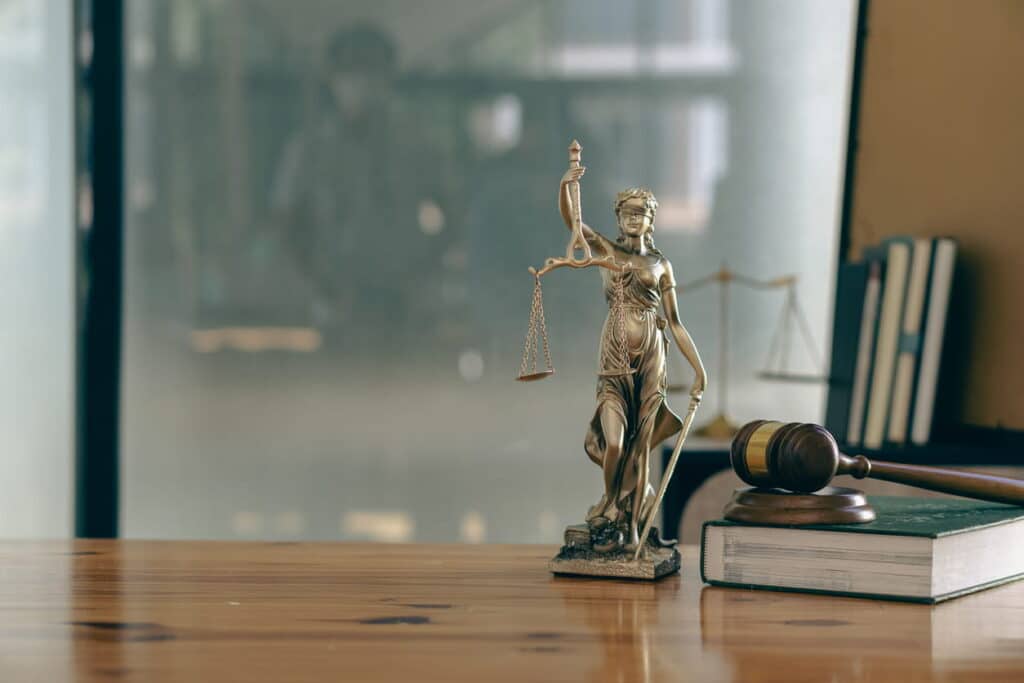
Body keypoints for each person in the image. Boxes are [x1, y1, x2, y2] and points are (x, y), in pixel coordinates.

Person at [558, 167, 707, 552]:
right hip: (615, 356)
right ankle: (610, 502)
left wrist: (698, 370)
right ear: (619, 218)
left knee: (641, 450)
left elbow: (674, 322)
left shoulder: (661, 265)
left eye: (641, 213)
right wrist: (567, 185)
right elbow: (575, 223)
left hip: (652, 358)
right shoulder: (610, 252)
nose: (634, 219)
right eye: (627, 213)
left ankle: (634, 532)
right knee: (614, 444)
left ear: (651, 219)